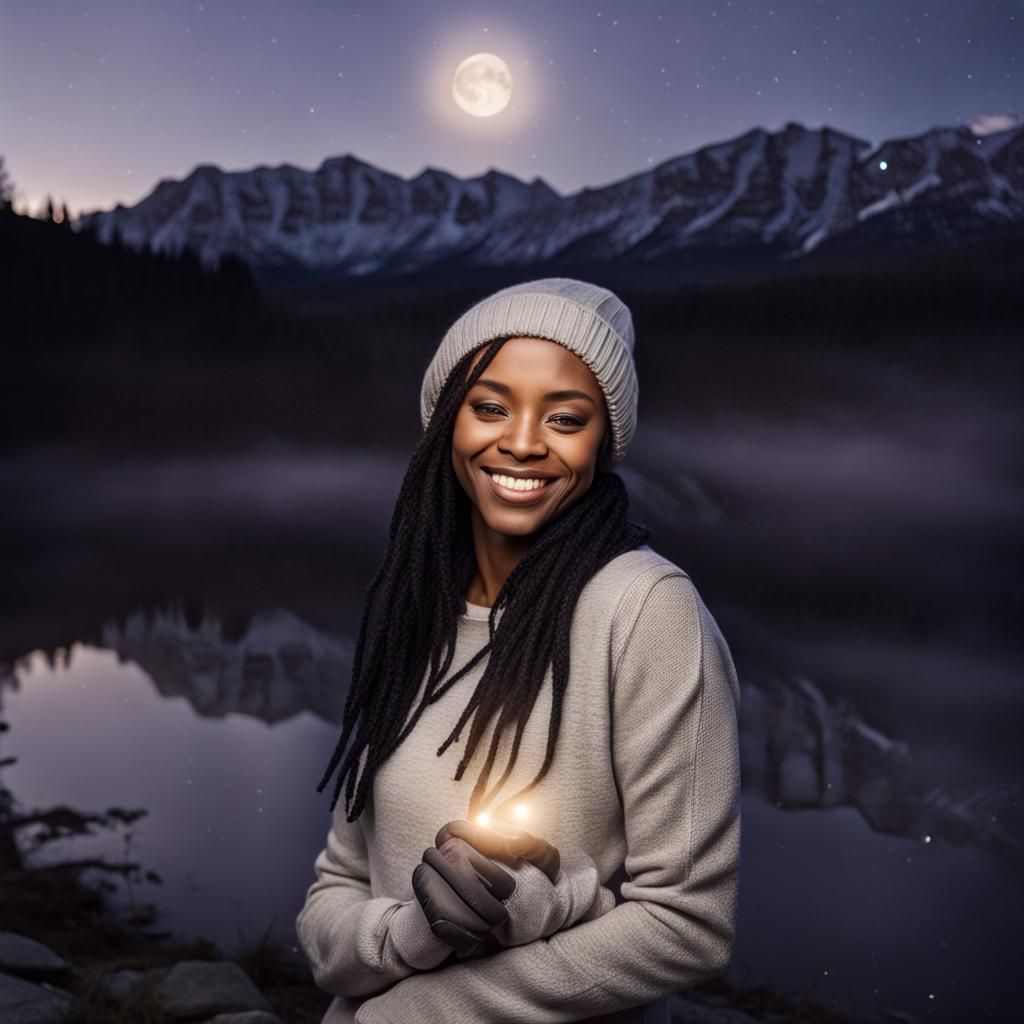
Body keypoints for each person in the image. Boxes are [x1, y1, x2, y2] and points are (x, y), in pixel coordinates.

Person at [295, 277, 742, 1024]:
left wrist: (416, 1015)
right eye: (491, 407)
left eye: (566, 417)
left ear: (604, 442)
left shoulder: (646, 612)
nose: (525, 441)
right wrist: (409, 933)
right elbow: (334, 900)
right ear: (447, 423)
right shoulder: (410, 609)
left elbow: (689, 927)